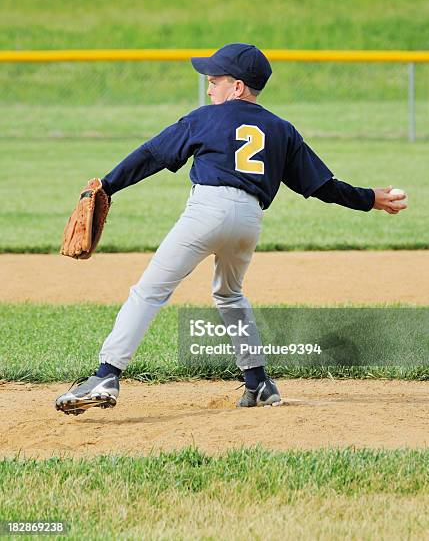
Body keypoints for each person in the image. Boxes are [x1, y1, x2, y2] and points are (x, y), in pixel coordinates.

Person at [55, 43, 407, 415]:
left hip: (208, 210)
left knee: (149, 291)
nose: (209, 89)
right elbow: (322, 186)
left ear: (237, 87)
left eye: (215, 81)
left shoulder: (207, 117)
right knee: (229, 294)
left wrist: (108, 185)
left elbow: (152, 155)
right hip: (249, 221)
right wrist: (370, 198)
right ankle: (258, 383)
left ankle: (106, 374)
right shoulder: (282, 130)